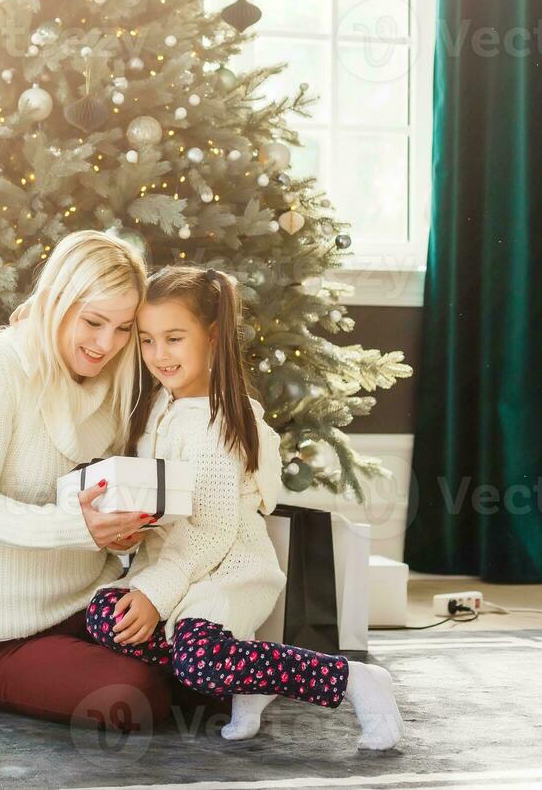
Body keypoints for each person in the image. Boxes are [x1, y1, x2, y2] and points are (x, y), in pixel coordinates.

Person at [84, 264, 406, 750]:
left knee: (201, 662)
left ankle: (353, 680)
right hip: (172, 573)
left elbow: (210, 534)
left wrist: (153, 593)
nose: (158, 355)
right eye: (147, 340)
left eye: (174, 338)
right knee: (103, 614)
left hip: (225, 572)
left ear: (212, 336)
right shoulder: (156, 407)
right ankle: (248, 676)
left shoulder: (219, 425)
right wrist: (134, 533)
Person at [0, 230, 224, 732]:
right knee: (136, 696)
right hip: (2, 636)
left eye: (123, 328)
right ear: (54, 302)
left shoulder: (116, 378)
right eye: (92, 322)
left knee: (212, 674)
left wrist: (128, 528)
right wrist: (78, 528)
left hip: (92, 607)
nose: (105, 345)